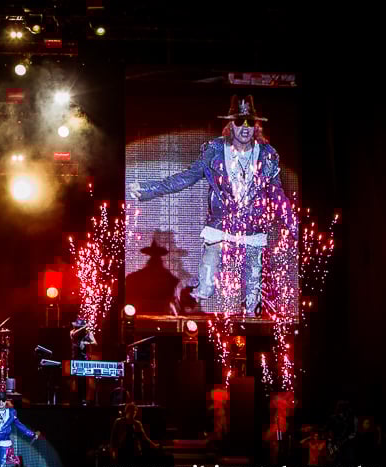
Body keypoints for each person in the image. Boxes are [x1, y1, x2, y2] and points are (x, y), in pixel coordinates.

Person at [128, 95, 298, 316]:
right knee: (206, 287)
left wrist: (294, 226)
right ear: (231, 125)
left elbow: (277, 195)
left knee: (253, 296)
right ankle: (187, 294)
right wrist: (148, 189)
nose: (245, 127)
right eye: (240, 121)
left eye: (249, 122)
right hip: (220, 228)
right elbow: (186, 178)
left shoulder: (266, 155)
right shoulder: (215, 151)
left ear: (256, 126)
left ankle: (249, 319)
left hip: (252, 231)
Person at [70, 317, 97, 406]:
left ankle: (84, 399)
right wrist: (84, 327)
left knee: (84, 380)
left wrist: (86, 343)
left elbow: (95, 343)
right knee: (76, 379)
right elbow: (74, 335)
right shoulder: (73, 332)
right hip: (75, 358)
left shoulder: (88, 332)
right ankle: (76, 399)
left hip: (85, 359)